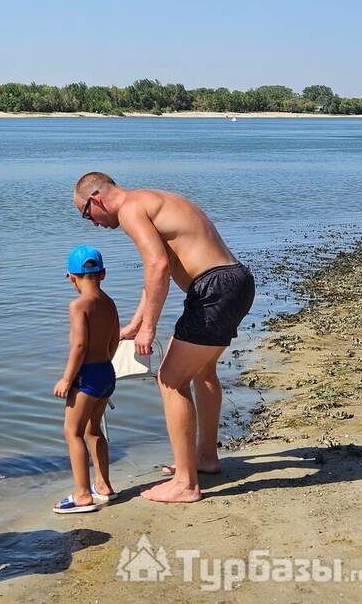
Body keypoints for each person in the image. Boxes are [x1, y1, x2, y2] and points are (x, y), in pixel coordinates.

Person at [73, 173, 255, 504]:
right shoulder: (153, 200)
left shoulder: (130, 208)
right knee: (202, 371)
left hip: (214, 289)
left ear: (96, 199)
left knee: (171, 380)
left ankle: (185, 483)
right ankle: (205, 457)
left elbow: (156, 266)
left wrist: (149, 328)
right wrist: (135, 323)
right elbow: (160, 273)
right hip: (234, 282)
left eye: (87, 215)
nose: (93, 223)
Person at [53, 245, 120, 514]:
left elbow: (79, 346)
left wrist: (67, 379)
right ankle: (103, 485)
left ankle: (82, 495)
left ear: (71, 276)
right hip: (106, 372)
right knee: (94, 430)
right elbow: (114, 339)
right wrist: (105, 363)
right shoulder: (109, 303)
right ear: (103, 274)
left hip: (87, 376)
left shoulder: (78, 305)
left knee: (73, 432)